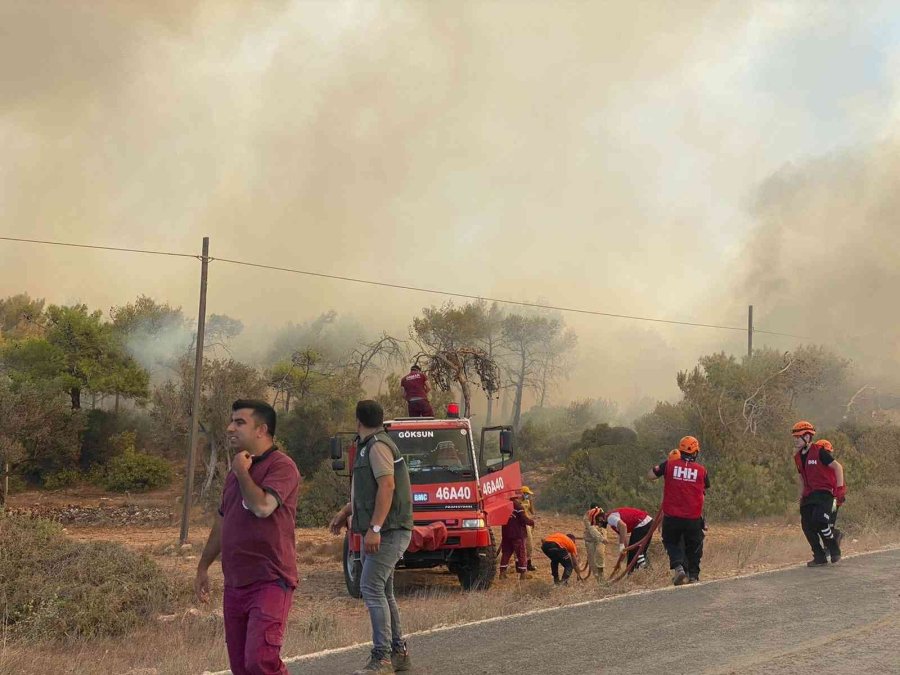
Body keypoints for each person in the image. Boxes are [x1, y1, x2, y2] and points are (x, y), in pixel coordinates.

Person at [195, 400, 301, 675]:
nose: (230, 427)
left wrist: (241, 472)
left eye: (239, 422)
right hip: (235, 583)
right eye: (231, 421)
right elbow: (223, 521)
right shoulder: (235, 473)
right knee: (241, 668)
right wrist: (203, 566)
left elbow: (262, 506)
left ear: (261, 430)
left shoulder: (282, 467)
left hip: (270, 580)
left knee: (260, 663)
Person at [329, 400, 415, 674]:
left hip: (389, 530)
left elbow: (387, 486)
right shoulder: (372, 445)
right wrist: (346, 511)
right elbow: (369, 492)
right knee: (383, 591)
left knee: (370, 588)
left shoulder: (377, 446)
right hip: (384, 529)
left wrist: (375, 528)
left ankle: (382, 659)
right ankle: (398, 654)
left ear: (358, 421)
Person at [648, 435, 709, 586]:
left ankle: (678, 567)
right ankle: (693, 575)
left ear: (680, 451)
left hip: (672, 516)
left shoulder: (669, 465)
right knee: (694, 544)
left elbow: (650, 476)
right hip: (693, 517)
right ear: (695, 452)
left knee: (671, 541)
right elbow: (704, 491)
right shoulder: (702, 471)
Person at [792, 421, 846, 566]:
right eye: (795, 437)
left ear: (808, 437)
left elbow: (838, 467)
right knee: (807, 526)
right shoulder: (797, 457)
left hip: (824, 493)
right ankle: (819, 556)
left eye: (799, 437)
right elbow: (801, 478)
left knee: (820, 521)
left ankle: (834, 549)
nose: (796, 439)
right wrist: (801, 496)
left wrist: (840, 490)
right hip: (809, 495)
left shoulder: (819, 451)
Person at [596, 506, 654, 572]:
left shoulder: (610, 518)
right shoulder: (613, 523)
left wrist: (621, 545)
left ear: (600, 518)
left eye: (597, 523)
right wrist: (619, 562)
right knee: (637, 551)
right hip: (646, 522)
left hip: (643, 523)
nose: (599, 526)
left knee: (635, 551)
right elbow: (625, 547)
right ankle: (641, 573)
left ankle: (643, 571)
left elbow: (623, 526)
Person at [499, 497, 534, 580]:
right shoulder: (518, 506)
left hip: (506, 534)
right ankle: (523, 574)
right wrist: (531, 522)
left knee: (506, 553)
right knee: (521, 554)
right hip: (517, 534)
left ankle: (502, 573)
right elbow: (523, 519)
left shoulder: (504, 506)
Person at [583, 505, 607, 584]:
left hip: (600, 540)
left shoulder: (602, 514)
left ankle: (602, 577)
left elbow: (604, 528)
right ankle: (599, 580)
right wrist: (601, 538)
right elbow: (591, 529)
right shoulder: (587, 517)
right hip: (590, 541)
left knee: (600, 555)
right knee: (592, 562)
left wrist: (603, 538)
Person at [521, 486, 537, 571]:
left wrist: (531, 502)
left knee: (529, 543)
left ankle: (528, 563)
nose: (528, 495)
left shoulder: (528, 501)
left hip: (527, 524)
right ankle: (519, 564)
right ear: (522, 493)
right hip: (519, 524)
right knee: (520, 544)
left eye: (528, 494)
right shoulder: (517, 502)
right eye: (526, 494)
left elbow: (532, 512)